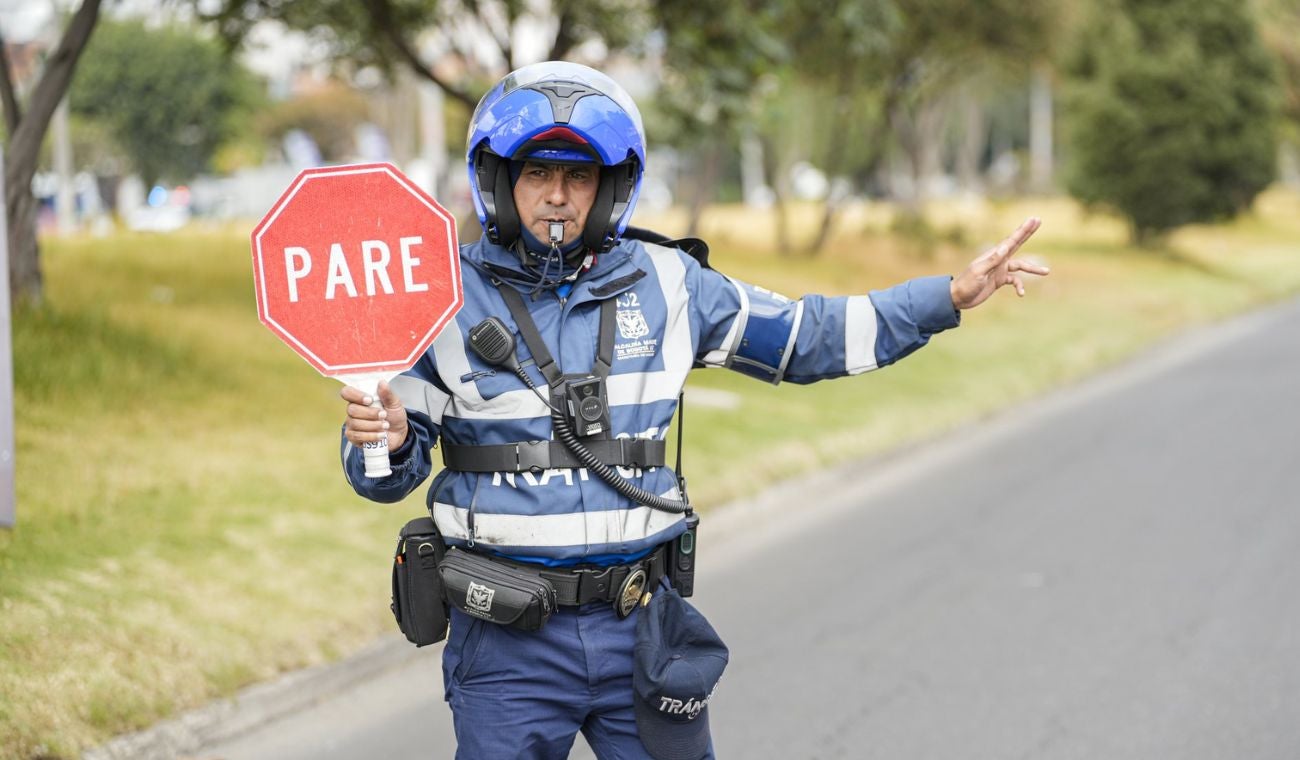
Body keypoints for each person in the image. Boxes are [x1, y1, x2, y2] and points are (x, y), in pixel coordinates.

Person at [340, 61, 1049, 759]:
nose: (557, 196)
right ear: (497, 180)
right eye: (537, 173)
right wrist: (386, 438)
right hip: (505, 643)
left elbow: (810, 337)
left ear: (611, 186)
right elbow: (382, 475)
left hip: (639, 624)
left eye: (578, 175)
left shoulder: (674, 285)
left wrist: (945, 297)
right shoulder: (437, 298)